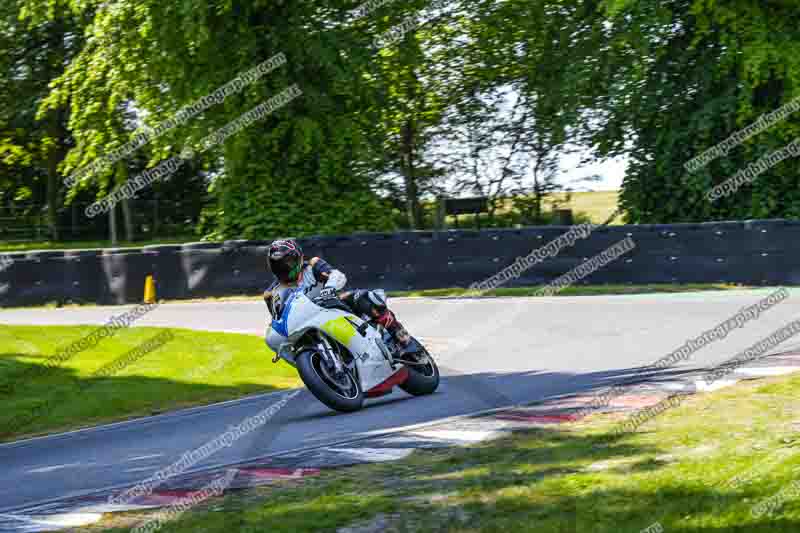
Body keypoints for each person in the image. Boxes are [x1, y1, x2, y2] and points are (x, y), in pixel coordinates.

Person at [264, 239, 410, 347]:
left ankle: (397, 330)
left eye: (287, 262)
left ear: (299, 258)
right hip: (310, 324)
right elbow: (278, 319)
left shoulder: (313, 265)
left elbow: (336, 275)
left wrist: (330, 288)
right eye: (278, 265)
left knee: (362, 297)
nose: (284, 267)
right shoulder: (272, 293)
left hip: (335, 306)